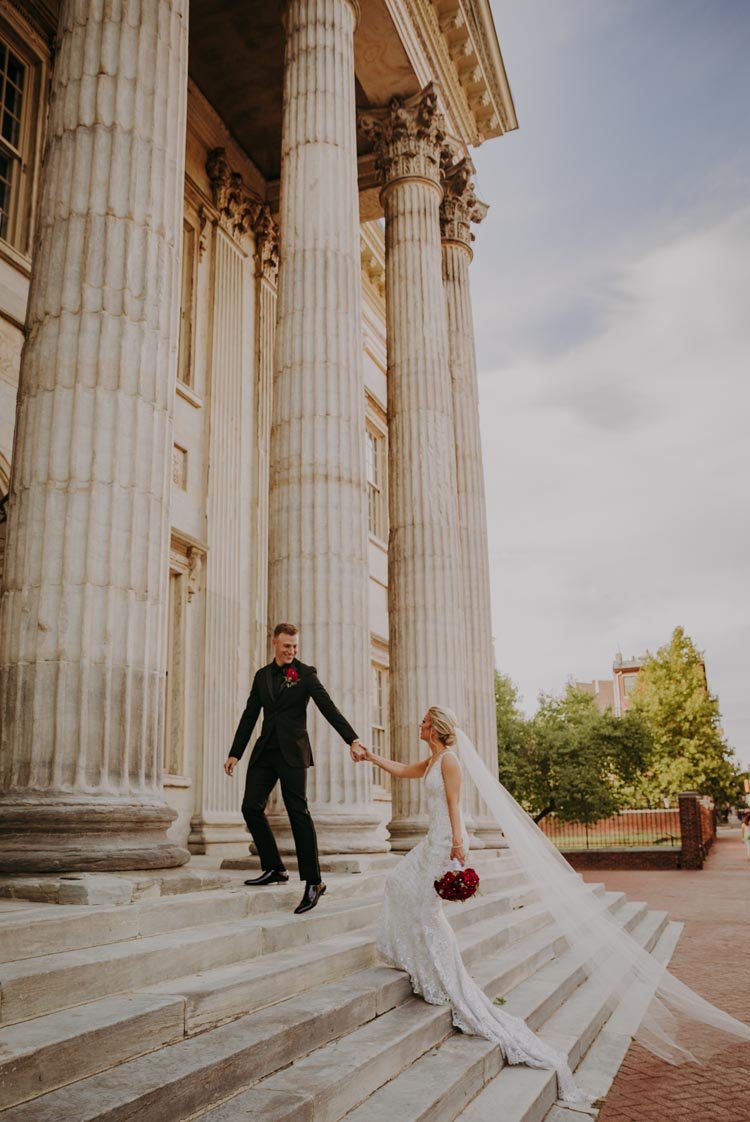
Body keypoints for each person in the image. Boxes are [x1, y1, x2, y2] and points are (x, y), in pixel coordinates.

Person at [357, 705, 586, 1104]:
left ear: (436, 728)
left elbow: (454, 806)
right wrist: (370, 756)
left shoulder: (449, 762)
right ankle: (424, 963)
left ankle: (448, 979)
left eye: (424, 722)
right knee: (398, 886)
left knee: (429, 912)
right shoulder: (430, 760)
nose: (419, 724)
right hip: (431, 842)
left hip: (444, 844)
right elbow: (400, 771)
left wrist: (459, 847)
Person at [224, 623, 367, 915]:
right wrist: (235, 752)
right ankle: (275, 867)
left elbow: (328, 707)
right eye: (287, 645)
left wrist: (352, 739)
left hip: (293, 754)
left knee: (298, 813)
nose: (291, 651)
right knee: (250, 807)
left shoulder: (305, 674)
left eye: (295, 646)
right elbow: (250, 715)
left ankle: (314, 882)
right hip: (265, 752)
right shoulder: (262, 676)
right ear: (275, 643)